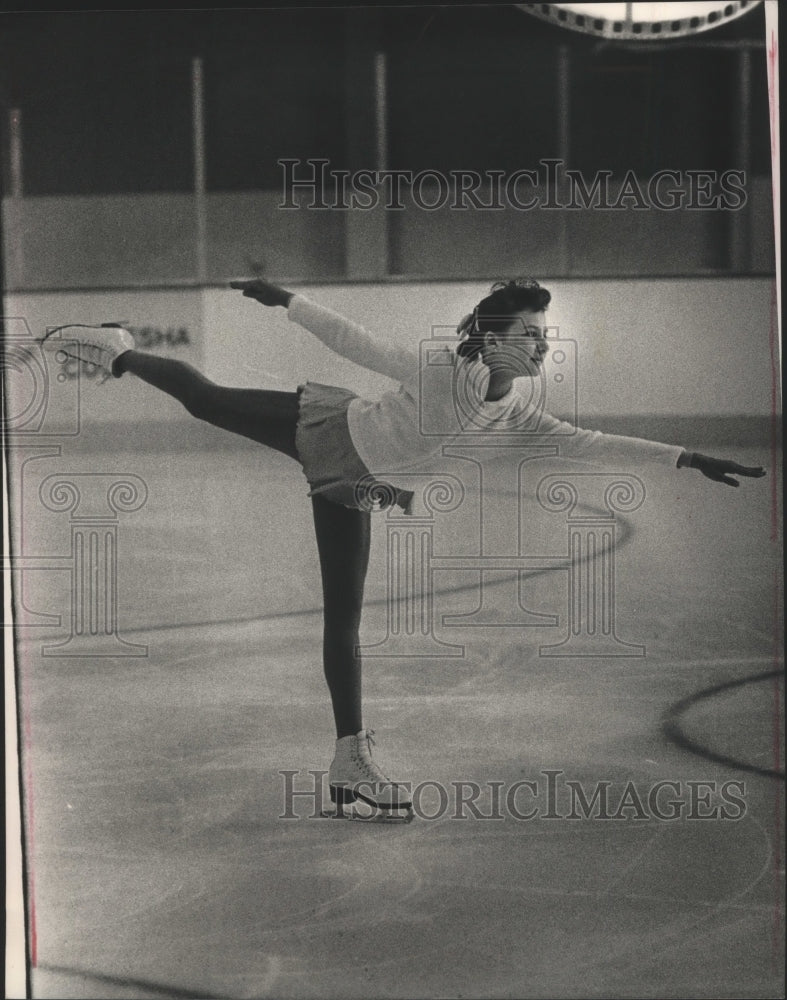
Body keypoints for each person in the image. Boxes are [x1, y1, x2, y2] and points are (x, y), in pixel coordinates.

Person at [40, 278, 767, 820]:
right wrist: (287, 300)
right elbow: (357, 342)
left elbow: (591, 442)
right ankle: (118, 351)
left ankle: (347, 759)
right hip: (326, 430)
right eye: (531, 332)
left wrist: (685, 457)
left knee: (343, 622)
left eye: (545, 334)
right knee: (205, 399)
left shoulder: (516, 413)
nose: (543, 343)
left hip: (359, 486)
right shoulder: (441, 372)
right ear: (490, 340)